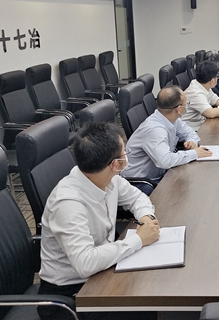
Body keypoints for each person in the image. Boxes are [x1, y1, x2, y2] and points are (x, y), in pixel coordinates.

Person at [38, 122, 159, 320]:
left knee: (151, 286)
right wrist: (138, 240)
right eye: (125, 153)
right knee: (148, 306)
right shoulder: (68, 203)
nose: (127, 156)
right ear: (116, 164)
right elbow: (85, 263)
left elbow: (137, 198)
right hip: (69, 296)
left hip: (102, 272)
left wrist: (146, 217)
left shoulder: (107, 177)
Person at [121, 85, 212, 195]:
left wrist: (192, 141)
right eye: (186, 103)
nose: (187, 106)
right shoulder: (155, 130)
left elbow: (190, 133)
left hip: (159, 173)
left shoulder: (170, 118)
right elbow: (165, 161)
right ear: (179, 109)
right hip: (141, 182)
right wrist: (194, 153)